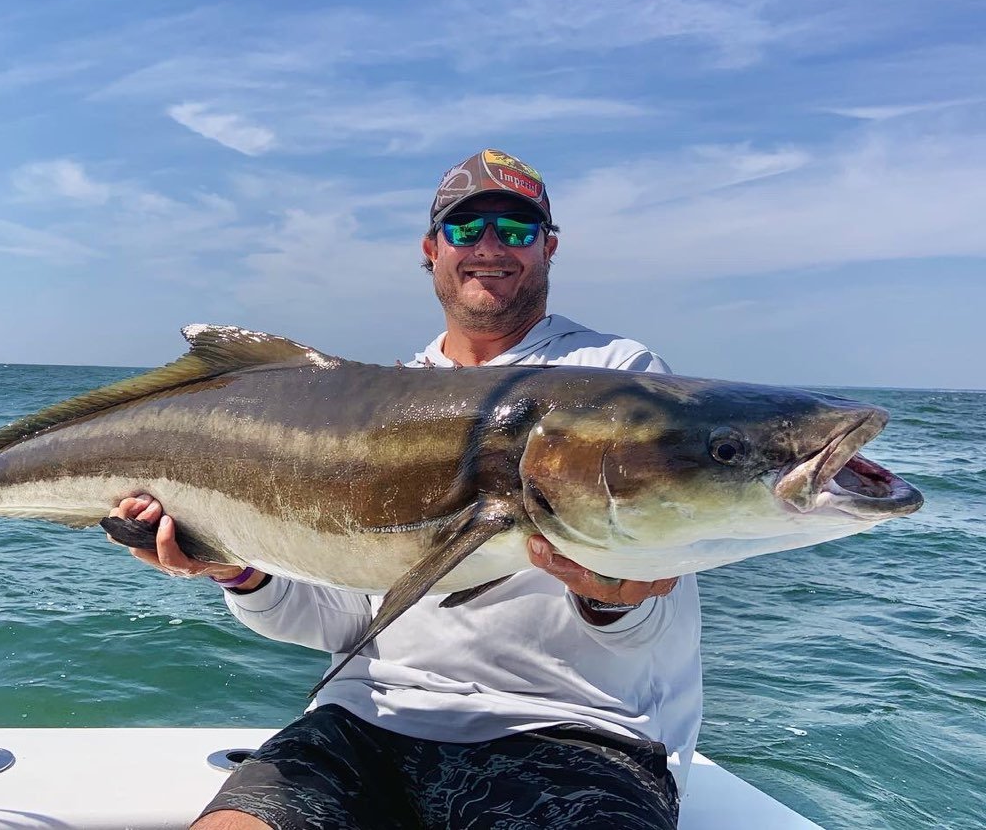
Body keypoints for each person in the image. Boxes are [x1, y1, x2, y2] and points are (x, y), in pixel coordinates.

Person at [109, 149, 702, 829]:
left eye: (515, 229)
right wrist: (238, 569)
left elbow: (652, 626)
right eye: (464, 228)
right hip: (366, 722)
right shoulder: (379, 400)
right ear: (432, 247)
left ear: (549, 247)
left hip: (576, 736)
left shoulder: (618, 376)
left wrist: (612, 602)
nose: (489, 246)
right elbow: (341, 619)